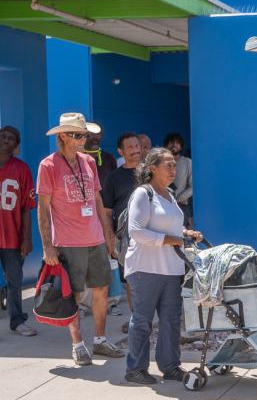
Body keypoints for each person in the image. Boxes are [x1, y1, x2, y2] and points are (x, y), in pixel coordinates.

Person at [37, 113, 123, 365]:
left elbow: (97, 200)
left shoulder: (87, 161)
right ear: (63, 136)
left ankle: (99, 339)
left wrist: (108, 236)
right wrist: (47, 246)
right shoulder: (48, 165)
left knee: (102, 289)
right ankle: (78, 344)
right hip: (67, 241)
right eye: (78, 134)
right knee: (72, 294)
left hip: (94, 238)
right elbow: (43, 209)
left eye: (85, 134)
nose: (83, 138)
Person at [123, 148, 202, 384]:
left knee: (171, 319)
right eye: (167, 165)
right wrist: (171, 240)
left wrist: (186, 233)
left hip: (171, 268)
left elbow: (170, 228)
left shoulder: (168, 194)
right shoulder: (142, 194)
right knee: (143, 320)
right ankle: (135, 369)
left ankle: (170, 366)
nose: (172, 169)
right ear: (151, 168)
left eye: (174, 165)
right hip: (145, 268)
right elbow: (136, 231)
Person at [102, 132, 142, 333]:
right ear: (121, 152)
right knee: (131, 281)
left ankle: (158, 319)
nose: (136, 150)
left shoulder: (152, 172)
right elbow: (107, 211)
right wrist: (110, 239)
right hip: (125, 239)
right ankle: (137, 319)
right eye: (130, 147)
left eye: (137, 146)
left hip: (155, 237)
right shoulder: (113, 178)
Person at [0, 126, 37, 337]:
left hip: (12, 236)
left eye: (12, 138)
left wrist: (27, 238)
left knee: (15, 280)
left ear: (16, 145)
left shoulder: (22, 169)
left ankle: (17, 320)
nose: (6, 140)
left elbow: (26, 206)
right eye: (3, 136)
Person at [164, 132, 193, 227]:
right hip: (163, 206)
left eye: (177, 143)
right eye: (171, 143)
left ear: (181, 147)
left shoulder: (187, 162)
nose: (174, 145)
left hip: (182, 206)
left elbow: (192, 187)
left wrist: (177, 198)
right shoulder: (160, 163)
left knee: (182, 235)